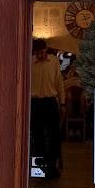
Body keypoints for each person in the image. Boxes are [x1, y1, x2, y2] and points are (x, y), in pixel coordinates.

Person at [29, 38, 65, 179]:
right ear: (34, 52)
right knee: (38, 136)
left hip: (50, 102)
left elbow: (59, 82)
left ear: (46, 50)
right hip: (35, 103)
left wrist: (62, 103)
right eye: (38, 53)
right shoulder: (30, 63)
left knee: (54, 136)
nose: (41, 55)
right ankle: (40, 168)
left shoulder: (54, 62)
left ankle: (52, 167)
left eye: (43, 52)